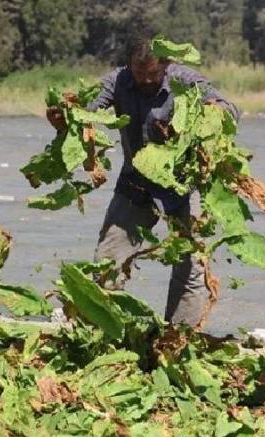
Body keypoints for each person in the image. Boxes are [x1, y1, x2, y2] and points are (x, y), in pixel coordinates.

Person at [47, 32, 239, 327]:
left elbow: (228, 109)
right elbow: (89, 111)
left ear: (165, 66)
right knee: (108, 260)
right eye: (140, 73)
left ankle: (180, 335)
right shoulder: (118, 80)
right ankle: (96, 326)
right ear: (129, 66)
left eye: (153, 74)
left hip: (183, 185)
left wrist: (213, 113)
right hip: (135, 184)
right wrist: (67, 118)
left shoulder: (184, 80)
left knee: (189, 268)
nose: (146, 80)